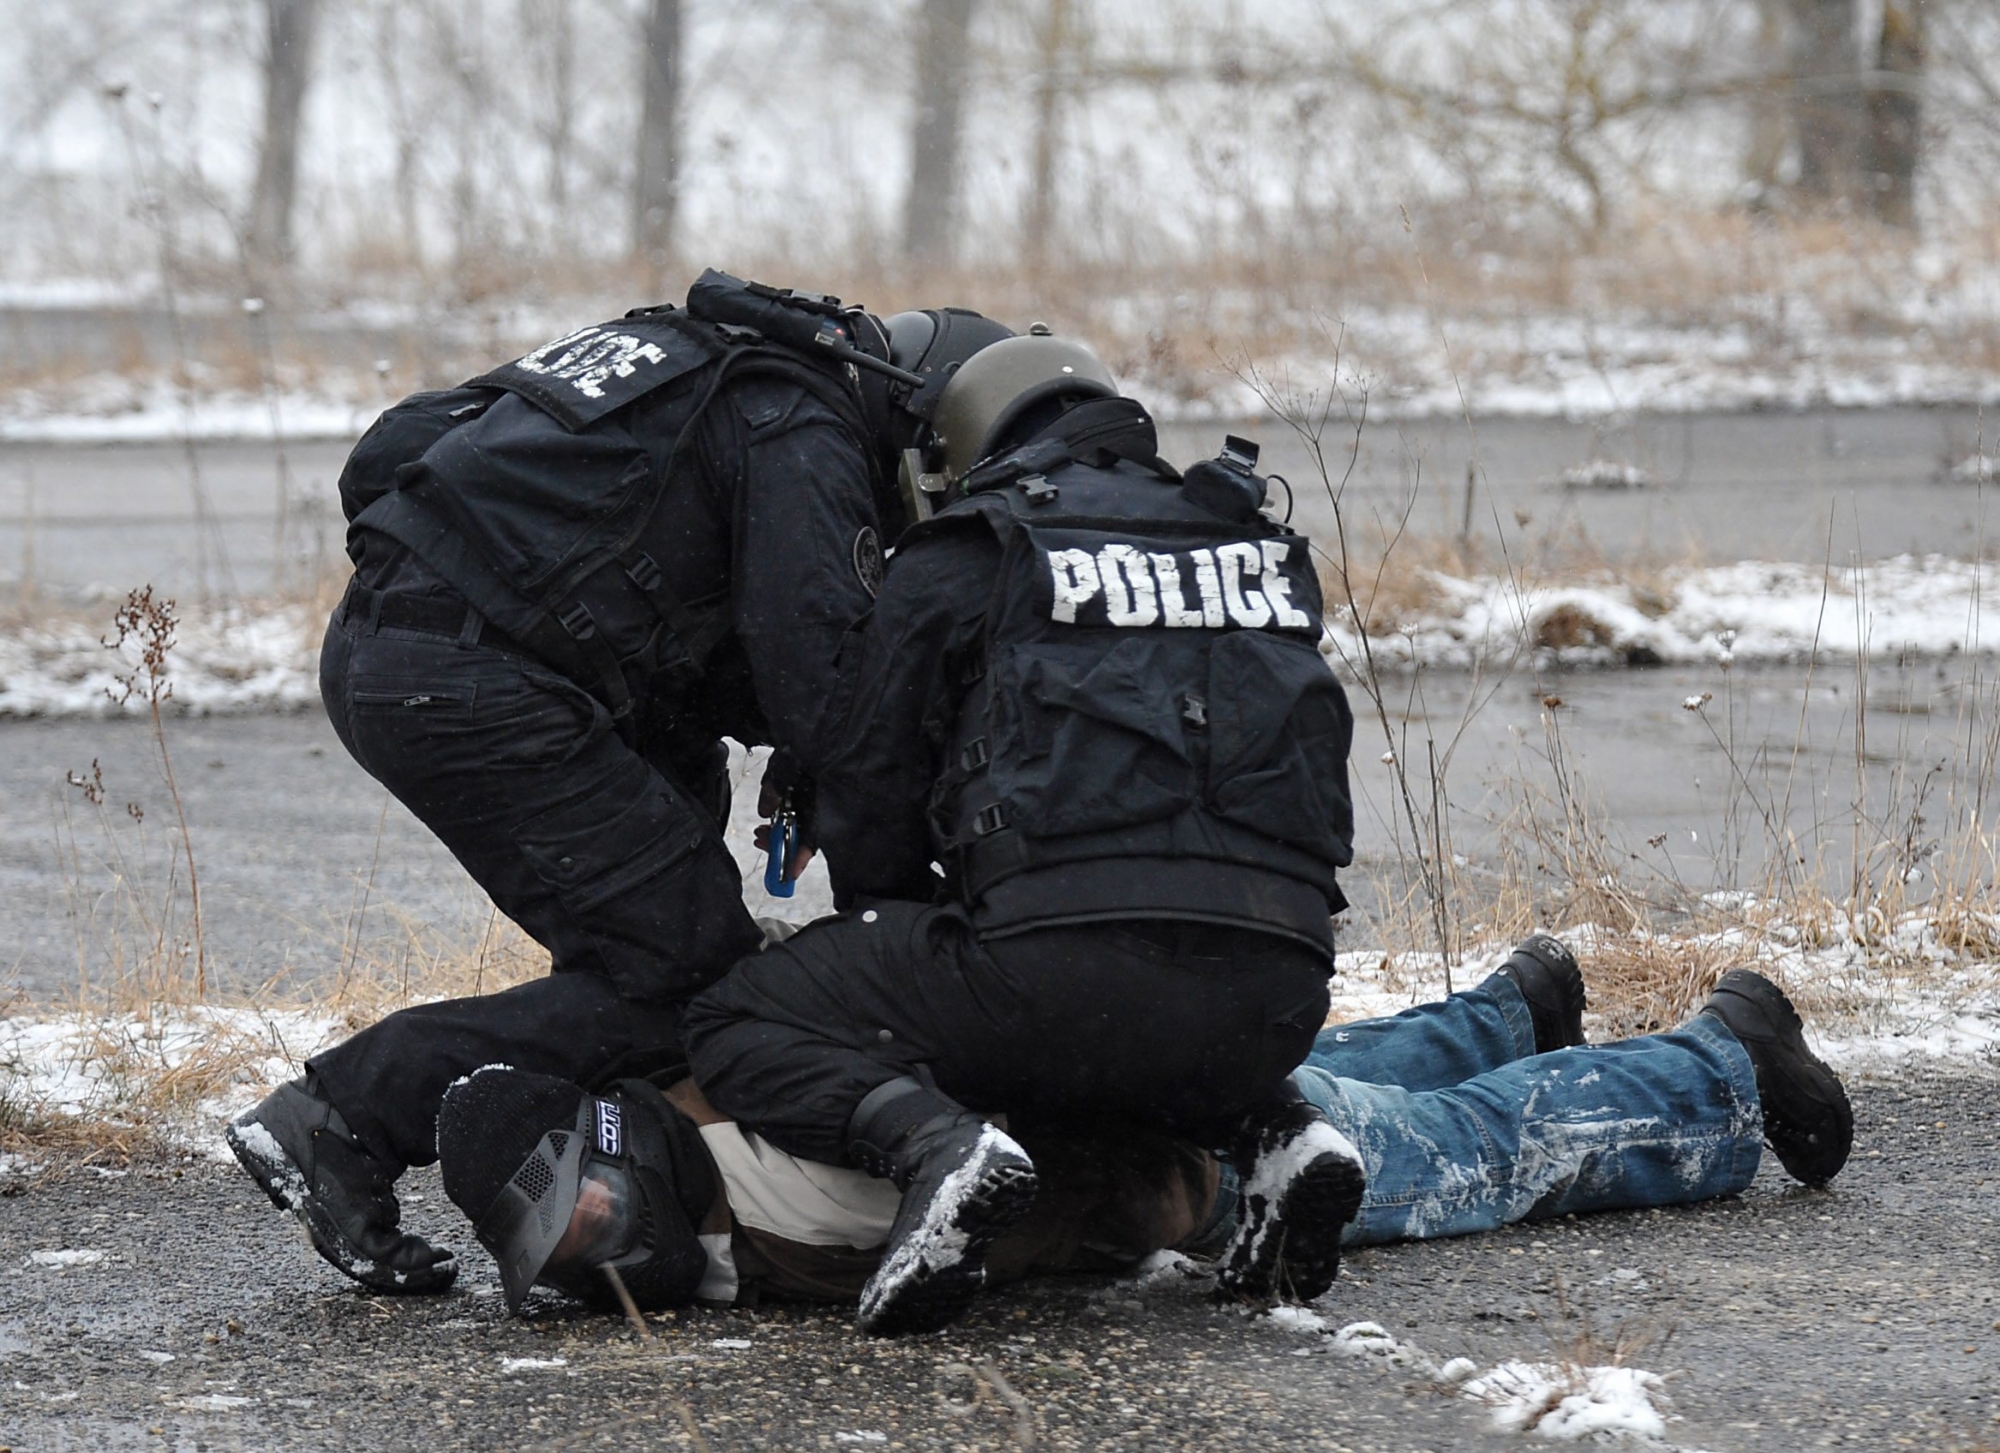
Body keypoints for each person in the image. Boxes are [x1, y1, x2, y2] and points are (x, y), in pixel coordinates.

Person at [227, 272, 1016, 1296]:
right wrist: (904, 935)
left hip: (415, 643)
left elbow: (404, 450)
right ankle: (342, 1116)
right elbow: (815, 667)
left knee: (639, 962)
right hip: (481, 679)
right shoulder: (801, 416)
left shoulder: (692, 356)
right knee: (698, 981)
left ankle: (590, 1184)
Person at [679, 332, 1369, 1335]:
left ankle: (933, 1148)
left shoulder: (971, 548)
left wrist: (912, 950)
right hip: (1276, 999)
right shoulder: (1253, 546)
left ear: (955, 454)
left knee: (734, 1015)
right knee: (1129, 1001)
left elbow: (868, 789)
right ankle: (1276, 1127)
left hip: (1051, 979)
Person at [424, 947, 1851, 1318]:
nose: (597, 1261)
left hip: (1195, 1156)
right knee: (1337, 1074)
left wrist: (1179, 1209)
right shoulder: (716, 1082)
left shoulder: (789, 1193)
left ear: (618, 1144)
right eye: (559, 1258)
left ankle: (1719, 1063)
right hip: (1156, 1070)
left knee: (1463, 1152)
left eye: (589, 1218)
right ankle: (1506, 1004)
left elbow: (1037, 1190)